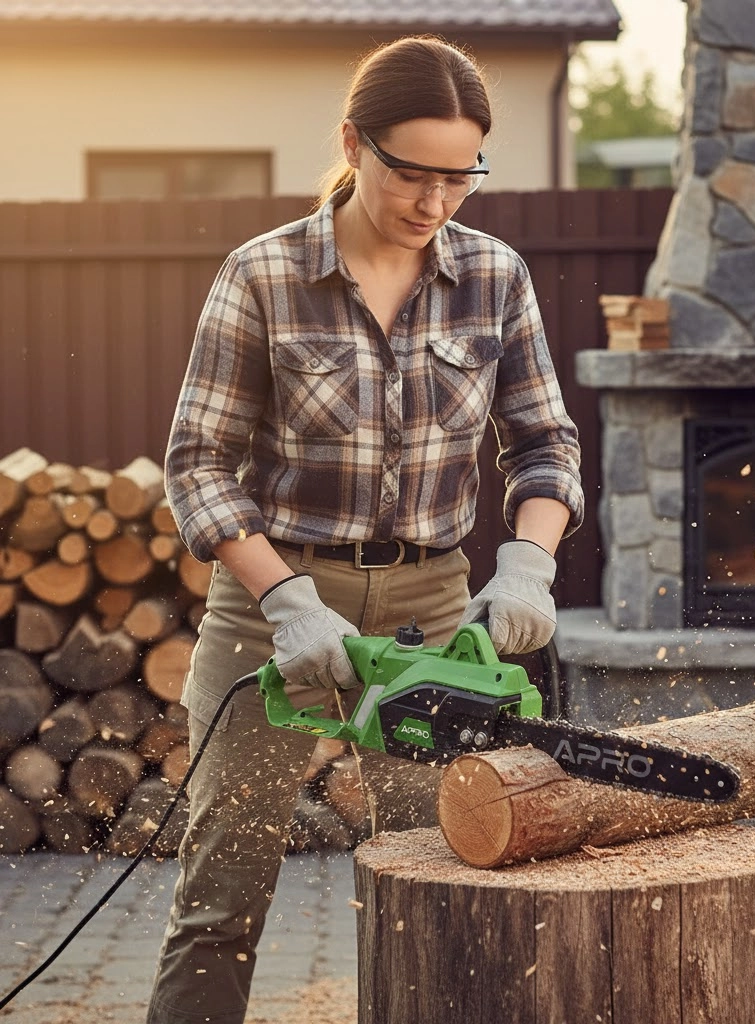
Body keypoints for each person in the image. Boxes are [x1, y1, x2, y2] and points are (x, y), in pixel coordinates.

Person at [145, 34, 583, 1024]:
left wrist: (526, 567)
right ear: (354, 142)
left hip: (431, 608)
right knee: (221, 896)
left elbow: (545, 445)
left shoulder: (494, 279)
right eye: (411, 172)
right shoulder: (263, 275)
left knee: (439, 883)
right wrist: (289, 604)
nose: (434, 201)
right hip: (274, 609)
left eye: (459, 175)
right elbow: (199, 465)